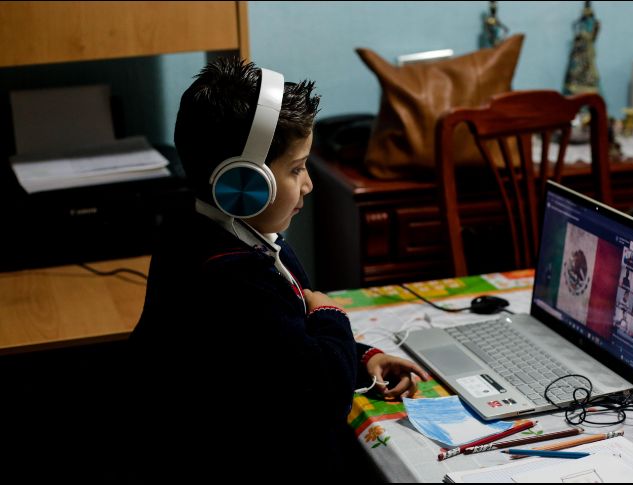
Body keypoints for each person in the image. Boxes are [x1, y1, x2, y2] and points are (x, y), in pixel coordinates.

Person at [126, 56, 428, 481]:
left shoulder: (202, 233)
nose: (309, 184)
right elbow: (321, 395)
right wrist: (331, 316)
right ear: (244, 183)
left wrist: (364, 359)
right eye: (297, 168)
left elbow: (279, 351)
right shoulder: (231, 278)